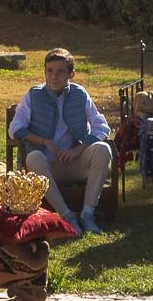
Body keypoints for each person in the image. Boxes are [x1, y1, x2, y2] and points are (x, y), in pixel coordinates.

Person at [9, 49, 113, 235]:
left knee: (103, 149)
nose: (54, 76)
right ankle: (67, 215)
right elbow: (15, 129)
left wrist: (79, 150)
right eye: (49, 70)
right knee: (33, 157)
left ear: (70, 74)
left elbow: (102, 127)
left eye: (60, 71)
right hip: (47, 168)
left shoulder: (80, 94)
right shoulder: (33, 95)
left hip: (75, 163)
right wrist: (44, 142)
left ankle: (87, 214)